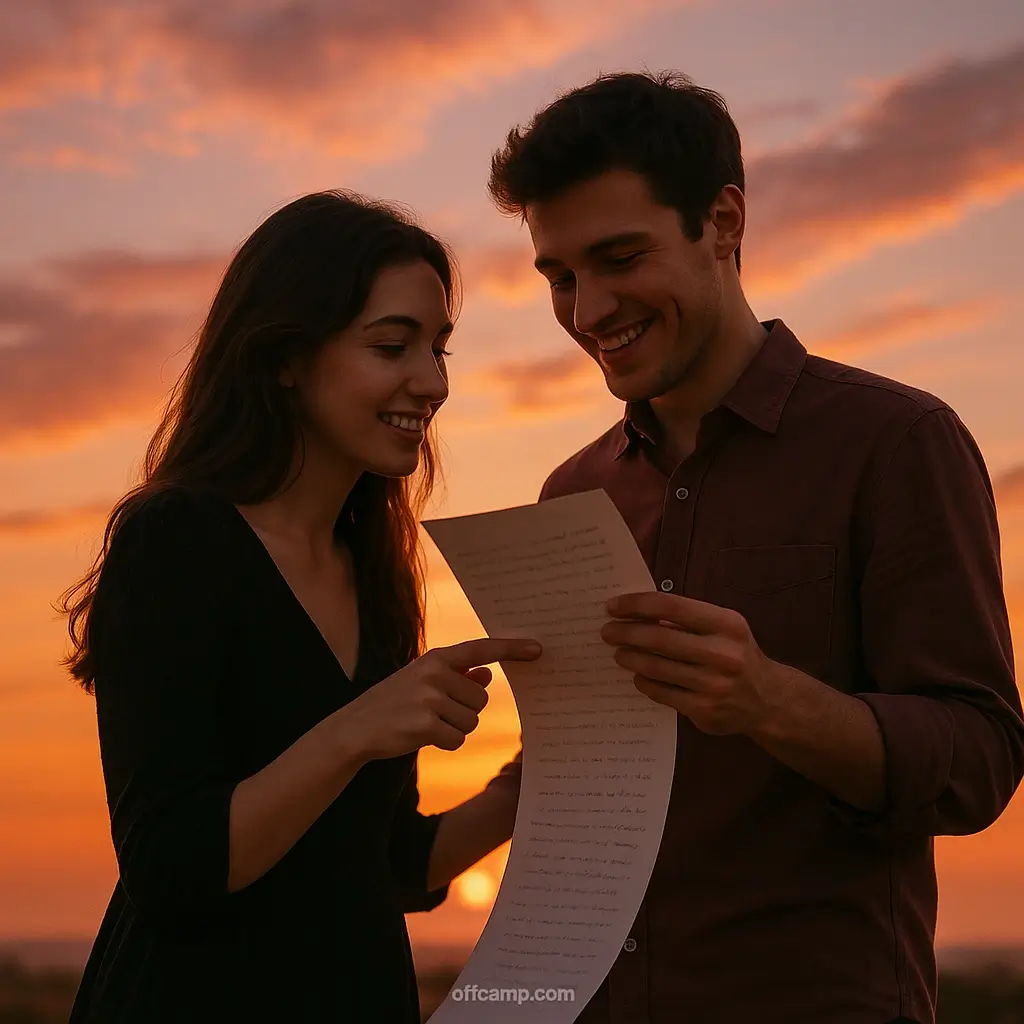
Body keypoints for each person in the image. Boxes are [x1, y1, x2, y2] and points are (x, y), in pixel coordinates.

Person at [484, 72, 1024, 1024]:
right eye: (560, 276)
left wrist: (770, 698)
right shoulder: (573, 494)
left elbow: (980, 759)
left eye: (619, 258)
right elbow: (575, 774)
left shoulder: (896, 442)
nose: (587, 309)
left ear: (723, 222)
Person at [58, 190, 542, 1023]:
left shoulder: (378, 573)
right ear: (284, 356)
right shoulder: (176, 542)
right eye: (392, 345)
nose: (430, 383)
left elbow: (390, 864)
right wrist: (358, 729)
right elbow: (171, 872)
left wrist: (526, 787)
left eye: (438, 349)